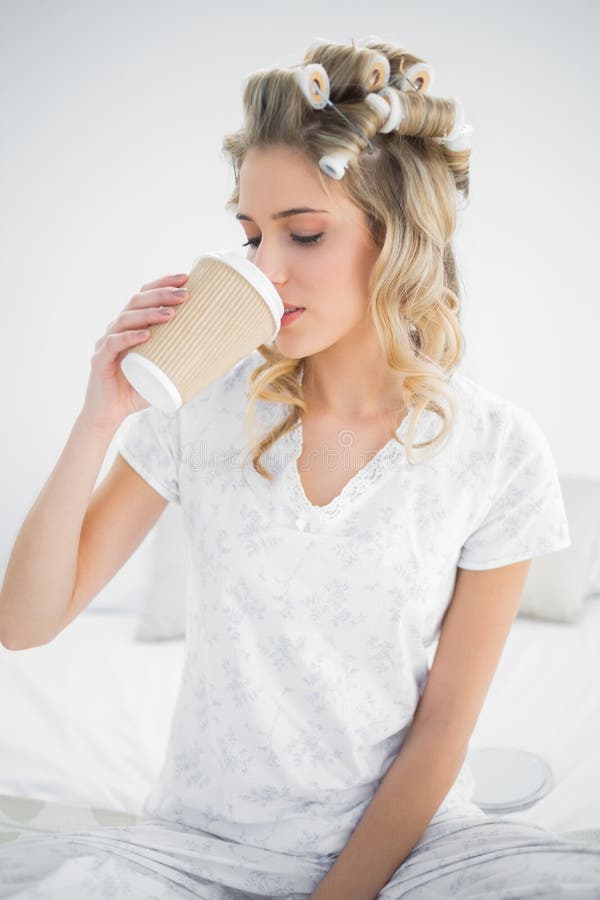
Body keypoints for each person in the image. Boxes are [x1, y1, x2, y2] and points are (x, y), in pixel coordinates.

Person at [1, 34, 599, 900]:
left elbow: (441, 732)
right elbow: (24, 623)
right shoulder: (205, 406)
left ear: (398, 240)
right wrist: (102, 412)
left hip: (414, 851)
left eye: (305, 233)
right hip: (192, 850)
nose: (266, 271)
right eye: (250, 236)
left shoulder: (497, 452)